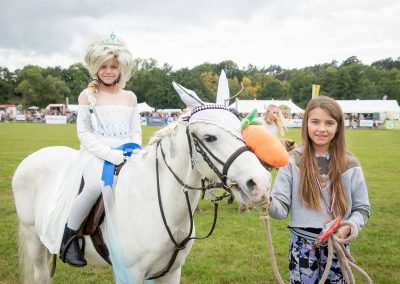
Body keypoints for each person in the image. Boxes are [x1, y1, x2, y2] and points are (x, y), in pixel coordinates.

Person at [60, 32, 142, 267]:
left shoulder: (130, 96)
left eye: (113, 67)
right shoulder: (87, 95)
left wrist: (134, 149)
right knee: (96, 184)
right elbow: (84, 134)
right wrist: (110, 154)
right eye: (104, 66)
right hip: (95, 152)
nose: (108, 71)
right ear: (96, 67)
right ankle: (70, 236)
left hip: (128, 151)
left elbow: (136, 130)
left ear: (121, 69)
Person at [268, 96, 370, 283]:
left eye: (329, 123)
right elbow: (280, 210)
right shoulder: (291, 161)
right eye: (315, 122)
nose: (322, 128)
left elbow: (362, 209)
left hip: (338, 245)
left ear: (338, 127)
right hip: (302, 248)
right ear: (306, 123)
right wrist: (266, 201)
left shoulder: (350, 164)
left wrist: (349, 226)